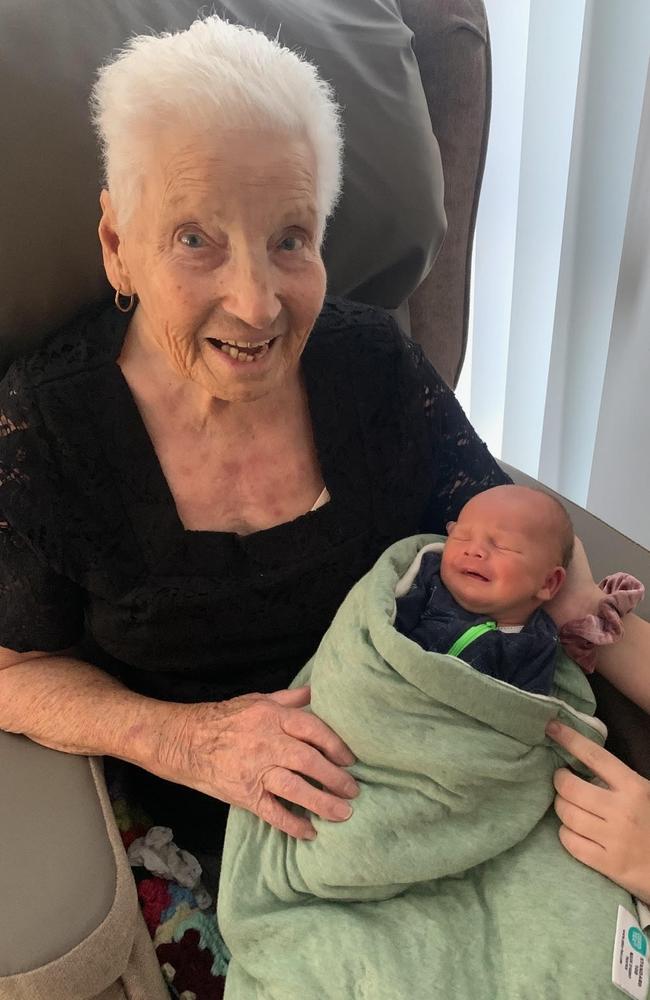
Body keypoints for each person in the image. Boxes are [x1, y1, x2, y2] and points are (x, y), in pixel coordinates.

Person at [0, 10, 647, 935]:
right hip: (228, 835)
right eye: (196, 238)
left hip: (437, 785)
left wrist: (597, 619)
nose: (258, 302)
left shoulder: (372, 366)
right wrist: (192, 740)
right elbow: (13, 669)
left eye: (291, 237)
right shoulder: (51, 424)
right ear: (117, 244)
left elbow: (535, 562)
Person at [395, 484, 573, 694]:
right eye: (462, 536)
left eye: (503, 545)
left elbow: (527, 711)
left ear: (547, 583)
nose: (473, 550)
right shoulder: (428, 581)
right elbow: (382, 628)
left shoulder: (537, 645)